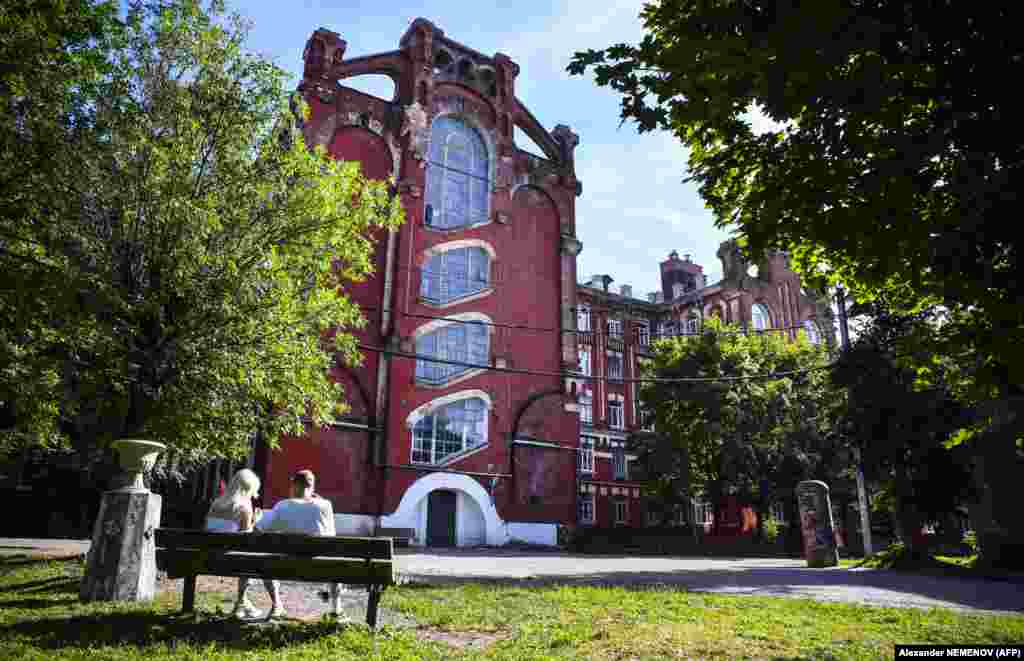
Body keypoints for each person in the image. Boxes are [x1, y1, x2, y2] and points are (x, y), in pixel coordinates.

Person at [256, 469, 343, 619]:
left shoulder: (282, 505)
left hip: (284, 565)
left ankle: (277, 604)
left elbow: (262, 529)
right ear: (312, 487)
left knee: (266, 560)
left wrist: (257, 518)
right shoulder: (325, 505)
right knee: (337, 562)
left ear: (293, 486)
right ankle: (336, 608)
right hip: (321, 566)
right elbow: (331, 534)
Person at [205, 468, 281, 619]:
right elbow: (247, 541)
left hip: (209, 559)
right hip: (234, 562)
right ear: (248, 490)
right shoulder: (243, 508)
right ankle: (275, 604)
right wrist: (256, 521)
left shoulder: (215, 504)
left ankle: (242, 602)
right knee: (256, 558)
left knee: (245, 557)